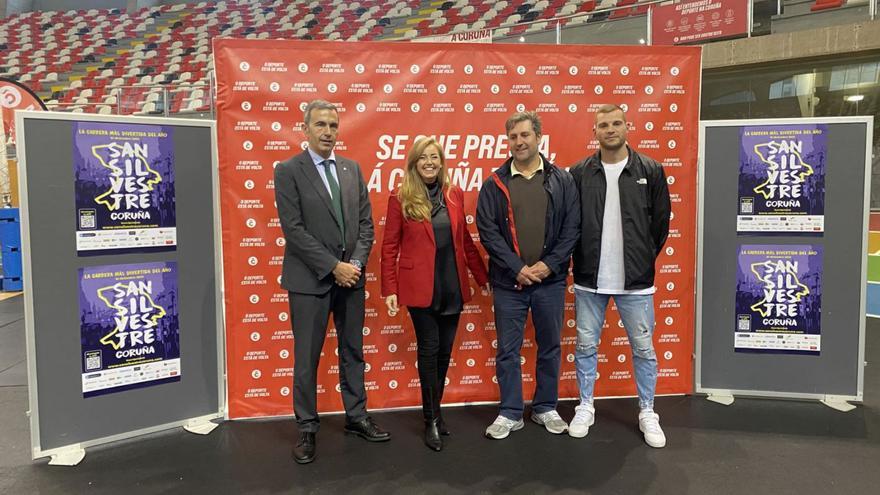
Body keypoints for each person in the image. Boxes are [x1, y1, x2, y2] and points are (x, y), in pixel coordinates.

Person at [274, 99, 391, 465]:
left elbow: (366, 226)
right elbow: (293, 230)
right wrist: (333, 266)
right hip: (310, 280)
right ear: (305, 129)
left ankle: (356, 416)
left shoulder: (352, 169)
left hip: (351, 280)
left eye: (333, 125)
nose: (327, 132)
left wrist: (353, 264)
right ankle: (307, 427)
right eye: (320, 125)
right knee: (307, 358)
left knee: (352, 351)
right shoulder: (288, 170)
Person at [568, 104, 672, 448]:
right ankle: (585, 406)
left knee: (644, 349)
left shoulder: (651, 170)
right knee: (585, 346)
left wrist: (640, 259)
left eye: (616, 123)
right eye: (602, 125)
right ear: (594, 132)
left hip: (637, 283)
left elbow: (660, 226)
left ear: (628, 126)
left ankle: (647, 411)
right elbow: (571, 224)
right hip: (588, 279)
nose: (610, 129)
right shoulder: (579, 172)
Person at [380, 137, 489, 451]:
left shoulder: (453, 194)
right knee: (429, 350)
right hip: (419, 288)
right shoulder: (400, 197)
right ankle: (430, 420)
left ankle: (437, 413)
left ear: (441, 161)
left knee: (443, 353)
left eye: (434, 157)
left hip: (451, 285)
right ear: (414, 163)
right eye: (423, 158)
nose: (429, 163)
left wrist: (482, 278)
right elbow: (389, 247)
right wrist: (390, 287)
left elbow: (465, 242)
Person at [476, 111, 580, 439]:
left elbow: (572, 228)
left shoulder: (561, 180)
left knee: (549, 345)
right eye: (513, 137)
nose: (519, 142)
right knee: (508, 349)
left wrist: (549, 265)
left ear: (538, 137)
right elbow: (488, 231)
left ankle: (545, 407)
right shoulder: (495, 183)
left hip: (549, 281)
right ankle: (510, 412)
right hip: (510, 283)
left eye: (525, 135)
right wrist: (518, 268)